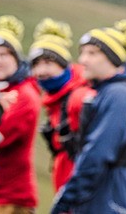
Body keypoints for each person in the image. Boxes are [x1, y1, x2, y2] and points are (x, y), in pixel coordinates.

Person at [50, 20, 126, 214]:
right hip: (108, 197)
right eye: (83, 52)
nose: (83, 60)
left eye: (92, 53)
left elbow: (99, 153)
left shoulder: (117, 95)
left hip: (108, 200)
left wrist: (67, 198)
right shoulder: (112, 92)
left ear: (113, 58)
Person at [28, 18, 95, 192]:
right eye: (36, 65)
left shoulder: (80, 96)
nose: (41, 72)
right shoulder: (55, 101)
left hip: (83, 193)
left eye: (48, 63)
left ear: (64, 65)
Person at [0, 15, 41, 214]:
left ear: (16, 59)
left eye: (3, 54)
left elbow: (1, 136)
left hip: (9, 199)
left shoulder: (24, 95)